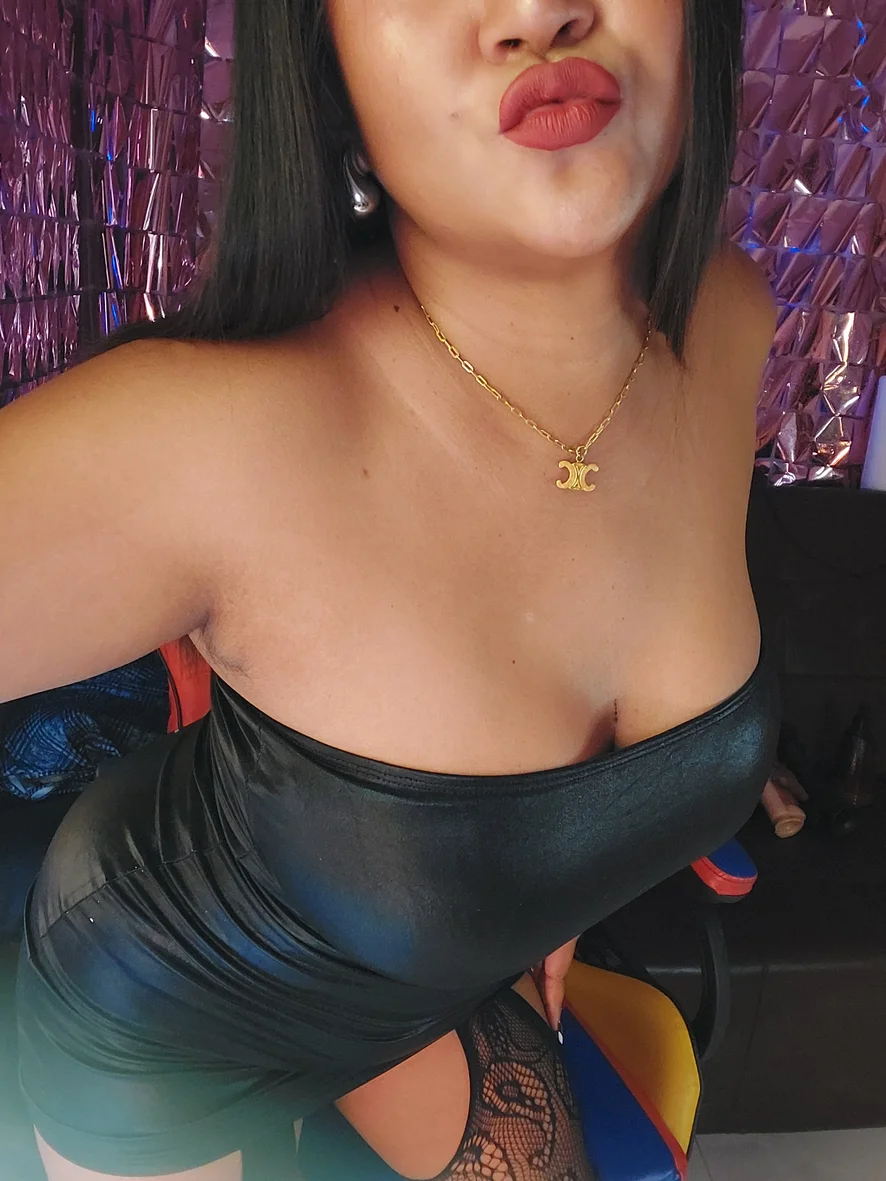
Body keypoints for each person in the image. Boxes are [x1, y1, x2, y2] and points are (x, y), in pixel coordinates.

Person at [4, 0, 782, 1178]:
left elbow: (597, 697)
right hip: (169, 1017)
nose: (537, 12)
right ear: (330, 84)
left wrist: (547, 879)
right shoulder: (210, 435)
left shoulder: (728, 321)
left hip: (426, 979)